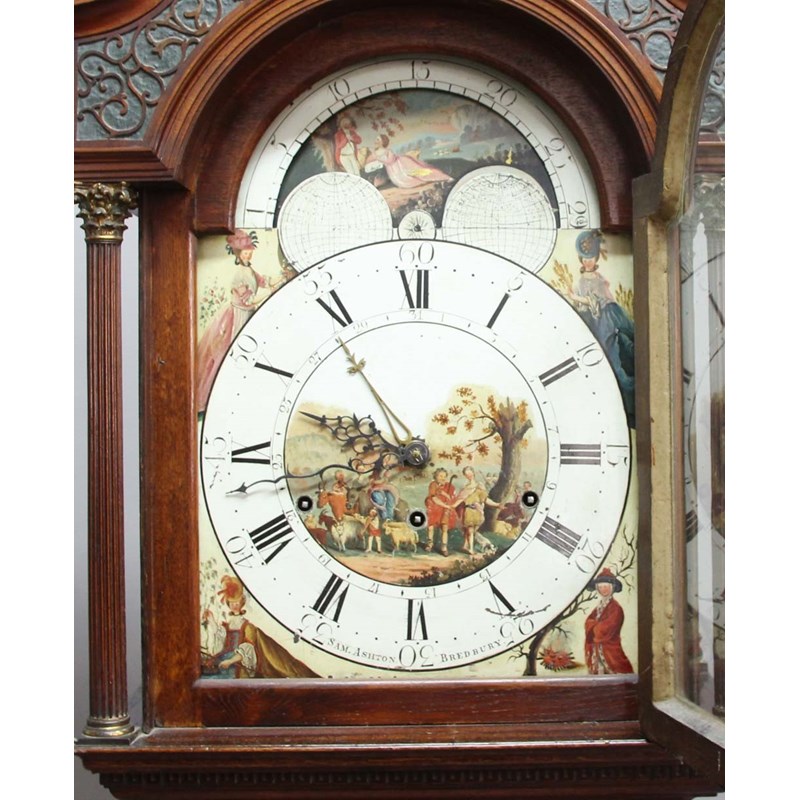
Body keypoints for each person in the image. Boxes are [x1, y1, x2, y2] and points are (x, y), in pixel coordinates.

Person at [566, 229, 635, 427]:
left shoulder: (598, 278)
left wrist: (576, 298)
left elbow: (602, 299)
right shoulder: (581, 281)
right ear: (581, 260)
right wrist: (577, 299)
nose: (588, 262)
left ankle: (629, 391)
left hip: (607, 318)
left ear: (596, 258)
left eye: (591, 258)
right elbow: (588, 304)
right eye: (585, 258)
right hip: (596, 322)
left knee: (619, 351)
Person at [196, 230, 268, 414]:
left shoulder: (250, 270)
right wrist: (268, 295)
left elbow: (263, 282)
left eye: (249, 251)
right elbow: (247, 301)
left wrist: (281, 279)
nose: (248, 254)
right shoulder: (239, 275)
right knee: (229, 355)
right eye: (245, 252)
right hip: (238, 317)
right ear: (238, 254)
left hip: (248, 315)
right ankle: (217, 400)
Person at [202, 575, 318, 678]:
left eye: (237, 602)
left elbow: (248, 649)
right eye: (232, 603)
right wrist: (211, 620)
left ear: (242, 601)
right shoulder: (228, 624)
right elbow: (221, 640)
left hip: (238, 666)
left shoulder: (248, 626)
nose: (235, 605)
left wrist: (230, 661)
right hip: (225, 660)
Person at [584, 568, 634, 674]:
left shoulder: (616, 608)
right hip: (596, 650)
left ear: (612, 587)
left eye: (606, 586)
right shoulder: (599, 606)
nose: (603, 589)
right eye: (600, 587)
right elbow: (588, 622)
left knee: (618, 672)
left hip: (610, 650)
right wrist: (594, 625)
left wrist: (594, 626)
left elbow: (606, 628)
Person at [365, 134, 453, 190]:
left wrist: (379, 159)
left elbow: (390, 160)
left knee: (421, 171)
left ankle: (444, 177)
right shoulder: (375, 153)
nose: (376, 141)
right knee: (406, 181)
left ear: (382, 142)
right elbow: (369, 164)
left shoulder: (387, 151)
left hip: (402, 164)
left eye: (378, 140)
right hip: (395, 172)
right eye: (376, 140)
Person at [452, 466, 500, 555]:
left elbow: (485, 499)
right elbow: (460, 499)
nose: (469, 475)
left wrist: (497, 505)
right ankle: (470, 549)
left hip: (478, 511)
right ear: (465, 476)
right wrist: (453, 505)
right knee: (470, 530)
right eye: (467, 474)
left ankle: (465, 545)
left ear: (473, 473)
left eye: (470, 473)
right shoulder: (466, 487)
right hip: (469, 511)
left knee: (472, 531)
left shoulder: (479, 486)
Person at [423, 468, 457, 556]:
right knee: (431, 526)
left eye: (444, 476)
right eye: (440, 476)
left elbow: (452, 497)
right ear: (435, 476)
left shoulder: (449, 486)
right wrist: (445, 504)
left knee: (444, 527)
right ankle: (430, 544)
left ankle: (444, 547)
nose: (443, 478)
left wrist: (448, 497)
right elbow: (434, 498)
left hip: (444, 510)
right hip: (434, 508)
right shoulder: (433, 485)